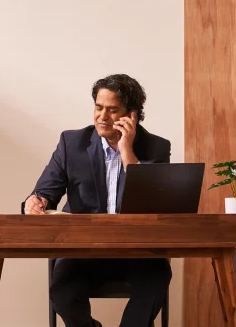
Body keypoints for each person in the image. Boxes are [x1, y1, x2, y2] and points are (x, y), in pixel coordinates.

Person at [23, 74, 172, 327]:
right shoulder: (72, 143)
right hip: (84, 250)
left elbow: (156, 204)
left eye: (112, 110)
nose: (102, 116)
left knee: (156, 280)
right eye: (98, 107)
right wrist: (35, 201)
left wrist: (127, 152)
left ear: (132, 115)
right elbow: (45, 190)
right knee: (63, 293)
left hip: (138, 251)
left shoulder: (156, 147)